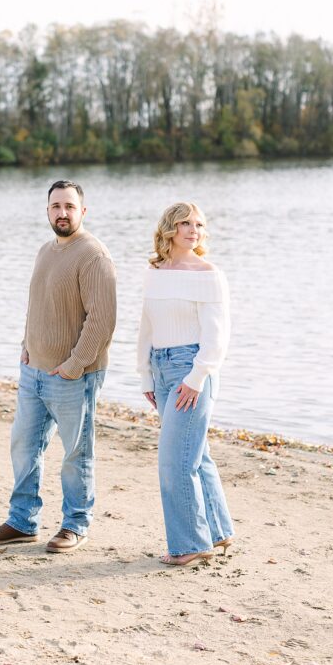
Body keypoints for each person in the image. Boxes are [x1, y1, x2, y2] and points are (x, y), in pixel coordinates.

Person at [0, 180, 117, 553]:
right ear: (47, 211)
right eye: (56, 206)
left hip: (75, 376)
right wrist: (26, 345)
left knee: (76, 453)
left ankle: (76, 524)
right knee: (24, 446)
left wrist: (74, 365)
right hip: (34, 373)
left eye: (69, 206)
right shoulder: (46, 250)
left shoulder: (93, 255)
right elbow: (38, 303)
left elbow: (102, 321)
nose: (62, 213)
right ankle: (22, 521)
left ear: (82, 212)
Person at [137, 201, 234, 567]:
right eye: (186, 224)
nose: (194, 230)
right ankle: (218, 530)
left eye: (199, 225)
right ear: (169, 229)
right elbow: (146, 326)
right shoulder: (155, 272)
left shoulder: (209, 274)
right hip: (161, 368)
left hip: (192, 369)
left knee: (175, 461)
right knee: (195, 454)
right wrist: (145, 373)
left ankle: (190, 544)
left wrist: (195, 379)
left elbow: (216, 340)